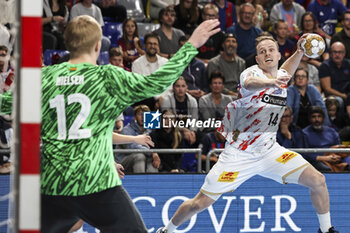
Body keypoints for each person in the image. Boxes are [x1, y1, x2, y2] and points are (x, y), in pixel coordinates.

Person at [41, 15, 220, 233]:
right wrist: (191, 45)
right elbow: (157, 83)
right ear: (98, 45)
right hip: (95, 182)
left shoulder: (43, 77)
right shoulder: (106, 77)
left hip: (54, 184)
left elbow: (6, 105)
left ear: (67, 43)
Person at [156, 34, 339, 233]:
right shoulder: (251, 74)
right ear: (258, 59)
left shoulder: (281, 76)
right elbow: (251, 83)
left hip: (270, 152)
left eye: (271, 50)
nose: (267, 53)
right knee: (200, 203)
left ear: (278, 55)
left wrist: (300, 51)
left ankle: (326, 229)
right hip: (239, 154)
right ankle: (167, 230)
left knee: (318, 180)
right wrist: (270, 83)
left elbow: (286, 70)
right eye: (262, 52)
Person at [131, 32, 169, 110]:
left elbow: (168, 85)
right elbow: (141, 87)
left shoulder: (165, 62)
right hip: (146, 99)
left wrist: (161, 98)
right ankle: (152, 122)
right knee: (148, 100)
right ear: (145, 45)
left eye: (155, 44)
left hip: (163, 98)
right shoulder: (136, 64)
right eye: (150, 43)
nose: (152, 46)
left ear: (158, 46)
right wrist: (157, 99)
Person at [118, 105, 160, 173]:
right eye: (140, 114)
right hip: (122, 163)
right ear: (134, 117)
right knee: (139, 156)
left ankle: (153, 182)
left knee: (151, 160)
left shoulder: (150, 131)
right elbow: (132, 147)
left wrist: (153, 155)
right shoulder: (126, 130)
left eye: (145, 114)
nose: (143, 117)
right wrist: (151, 152)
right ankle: (140, 182)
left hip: (144, 160)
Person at [302, 106, 342, 172]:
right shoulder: (304, 134)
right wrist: (323, 158)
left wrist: (335, 156)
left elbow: (338, 148)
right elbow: (305, 154)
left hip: (332, 157)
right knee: (325, 168)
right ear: (309, 119)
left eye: (319, 116)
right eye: (313, 117)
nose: (317, 119)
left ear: (323, 118)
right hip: (316, 161)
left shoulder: (332, 132)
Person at [319, 41, 350, 109]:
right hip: (332, 96)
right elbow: (327, 89)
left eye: (340, 52)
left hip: (347, 93)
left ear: (344, 53)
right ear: (330, 53)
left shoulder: (348, 64)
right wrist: (344, 96)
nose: (337, 55)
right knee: (340, 101)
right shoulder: (325, 66)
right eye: (335, 52)